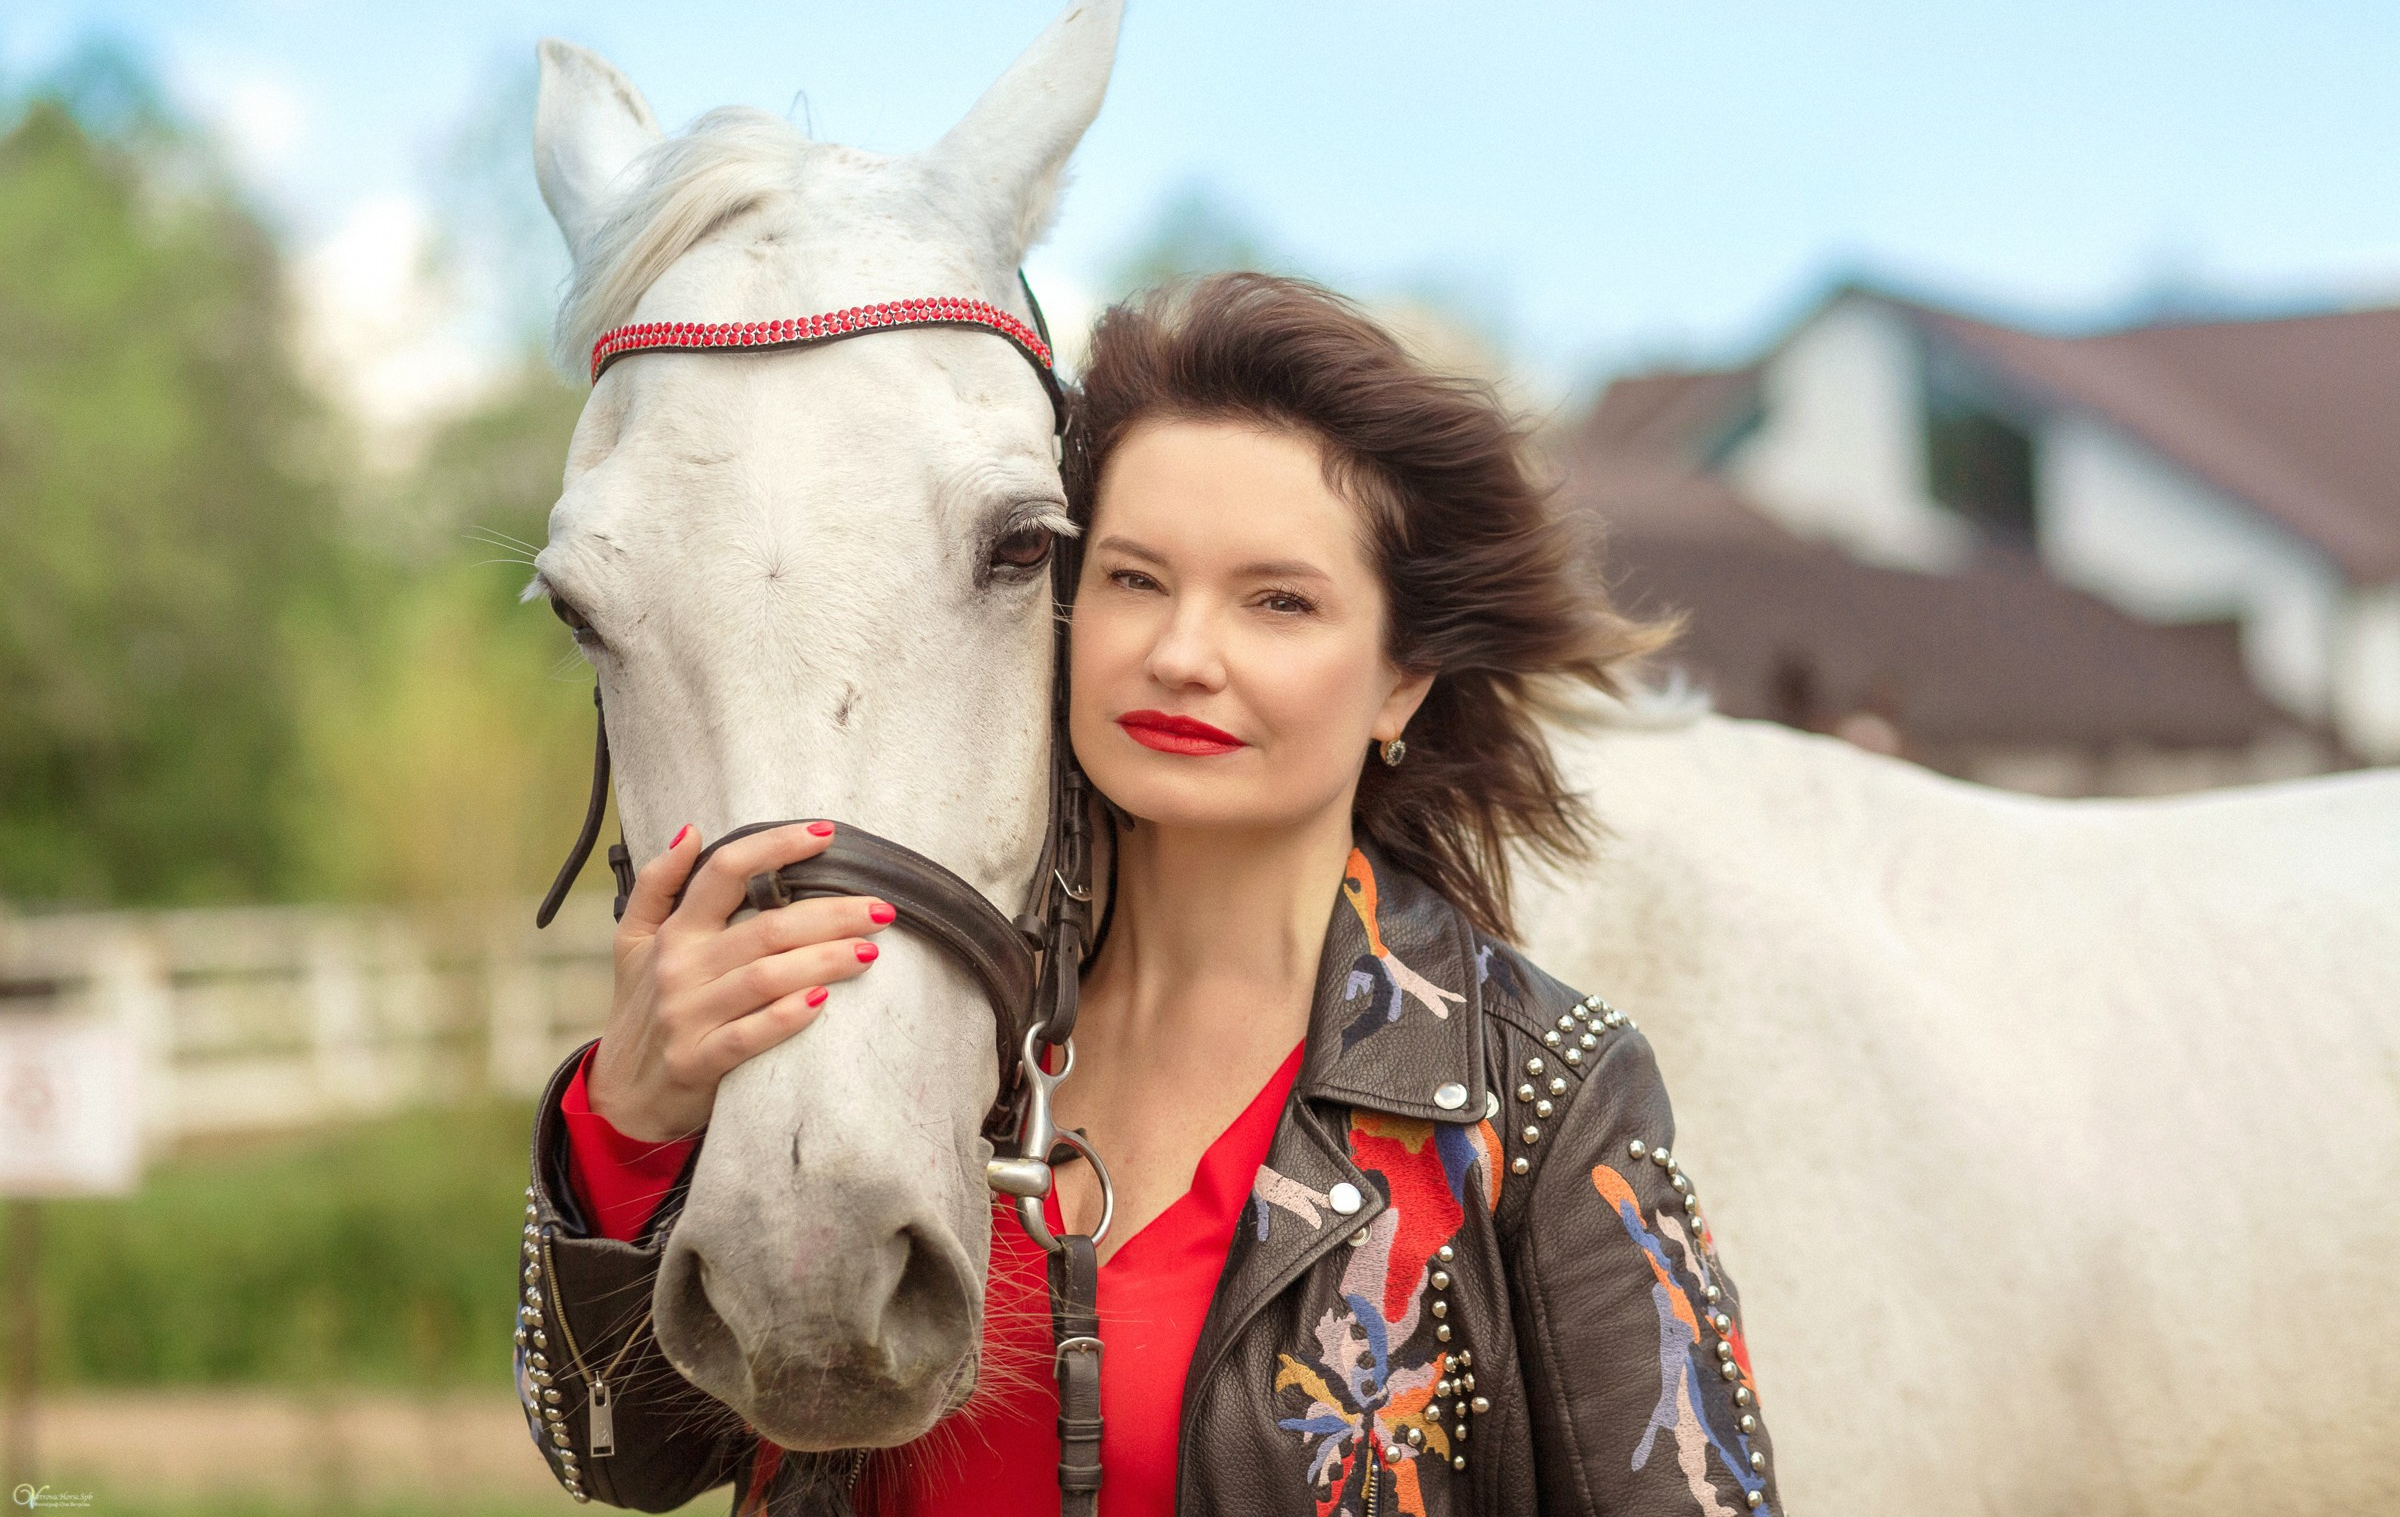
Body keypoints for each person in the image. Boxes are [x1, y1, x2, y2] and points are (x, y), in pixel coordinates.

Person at [524, 273, 1783, 1516]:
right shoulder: (900, 1008)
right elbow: (619, 1457)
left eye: (1277, 600)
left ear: (1400, 680)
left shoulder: (1544, 1094)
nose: (1182, 653)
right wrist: (627, 1123)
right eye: (1134, 579)